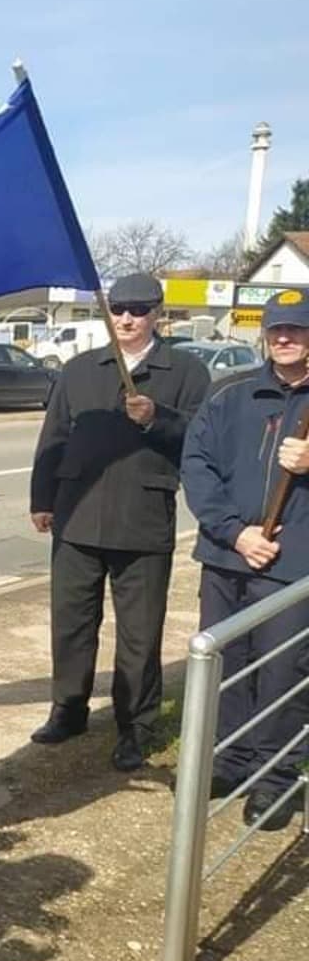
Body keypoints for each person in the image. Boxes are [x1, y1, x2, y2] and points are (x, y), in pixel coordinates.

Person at [29, 273, 210, 770]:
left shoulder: (186, 371)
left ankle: (137, 725)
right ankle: (68, 708)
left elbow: (201, 439)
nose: (127, 319)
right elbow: (54, 437)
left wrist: (158, 418)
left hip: (143, 520)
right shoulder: (81, 369)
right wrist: (42, 498)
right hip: (77, 515)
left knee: (139, 632)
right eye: (118, 309)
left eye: (139, 310)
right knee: (72, 623)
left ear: (157, 314)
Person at [181, 288, 309, 831]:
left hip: (292, 565)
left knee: (282, 672)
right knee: (224, 667)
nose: (284, 338)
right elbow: (197, 464)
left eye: (297, 330)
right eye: (277, 329)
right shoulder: (229, 393)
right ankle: (227, 760)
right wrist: (235, 534)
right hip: (228, 558)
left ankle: (273, 779)